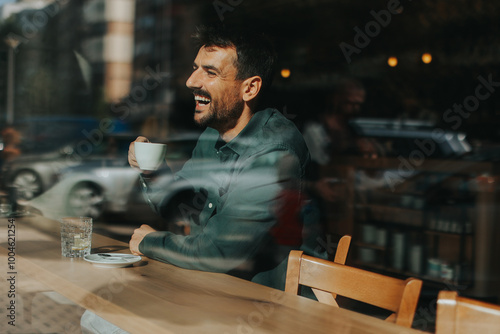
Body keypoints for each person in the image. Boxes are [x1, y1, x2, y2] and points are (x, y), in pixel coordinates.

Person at [128, 24, 310, 281]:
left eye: (210, 72)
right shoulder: (214, 134)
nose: (191, 82)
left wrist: (149, 242)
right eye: (195, 68)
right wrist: (152, 170)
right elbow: (181, 208)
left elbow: (218, 251)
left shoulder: (274, 153)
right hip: (210, 289)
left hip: (263, 305)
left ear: (249, 88)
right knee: (97, 316)